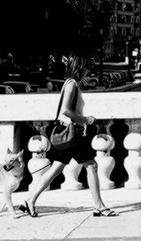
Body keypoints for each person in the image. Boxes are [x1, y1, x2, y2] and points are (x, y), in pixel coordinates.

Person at [19, 55, 117, 217]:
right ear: (80, 67)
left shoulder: (70, 83)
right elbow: (66, 110)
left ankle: (30, 201)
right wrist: (86, 119)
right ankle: (99, 206)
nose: (89, 69)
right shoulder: (72, 85)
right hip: (75, 135)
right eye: (87, 66)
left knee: (56, 169)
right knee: (91, 166)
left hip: (71, 134)